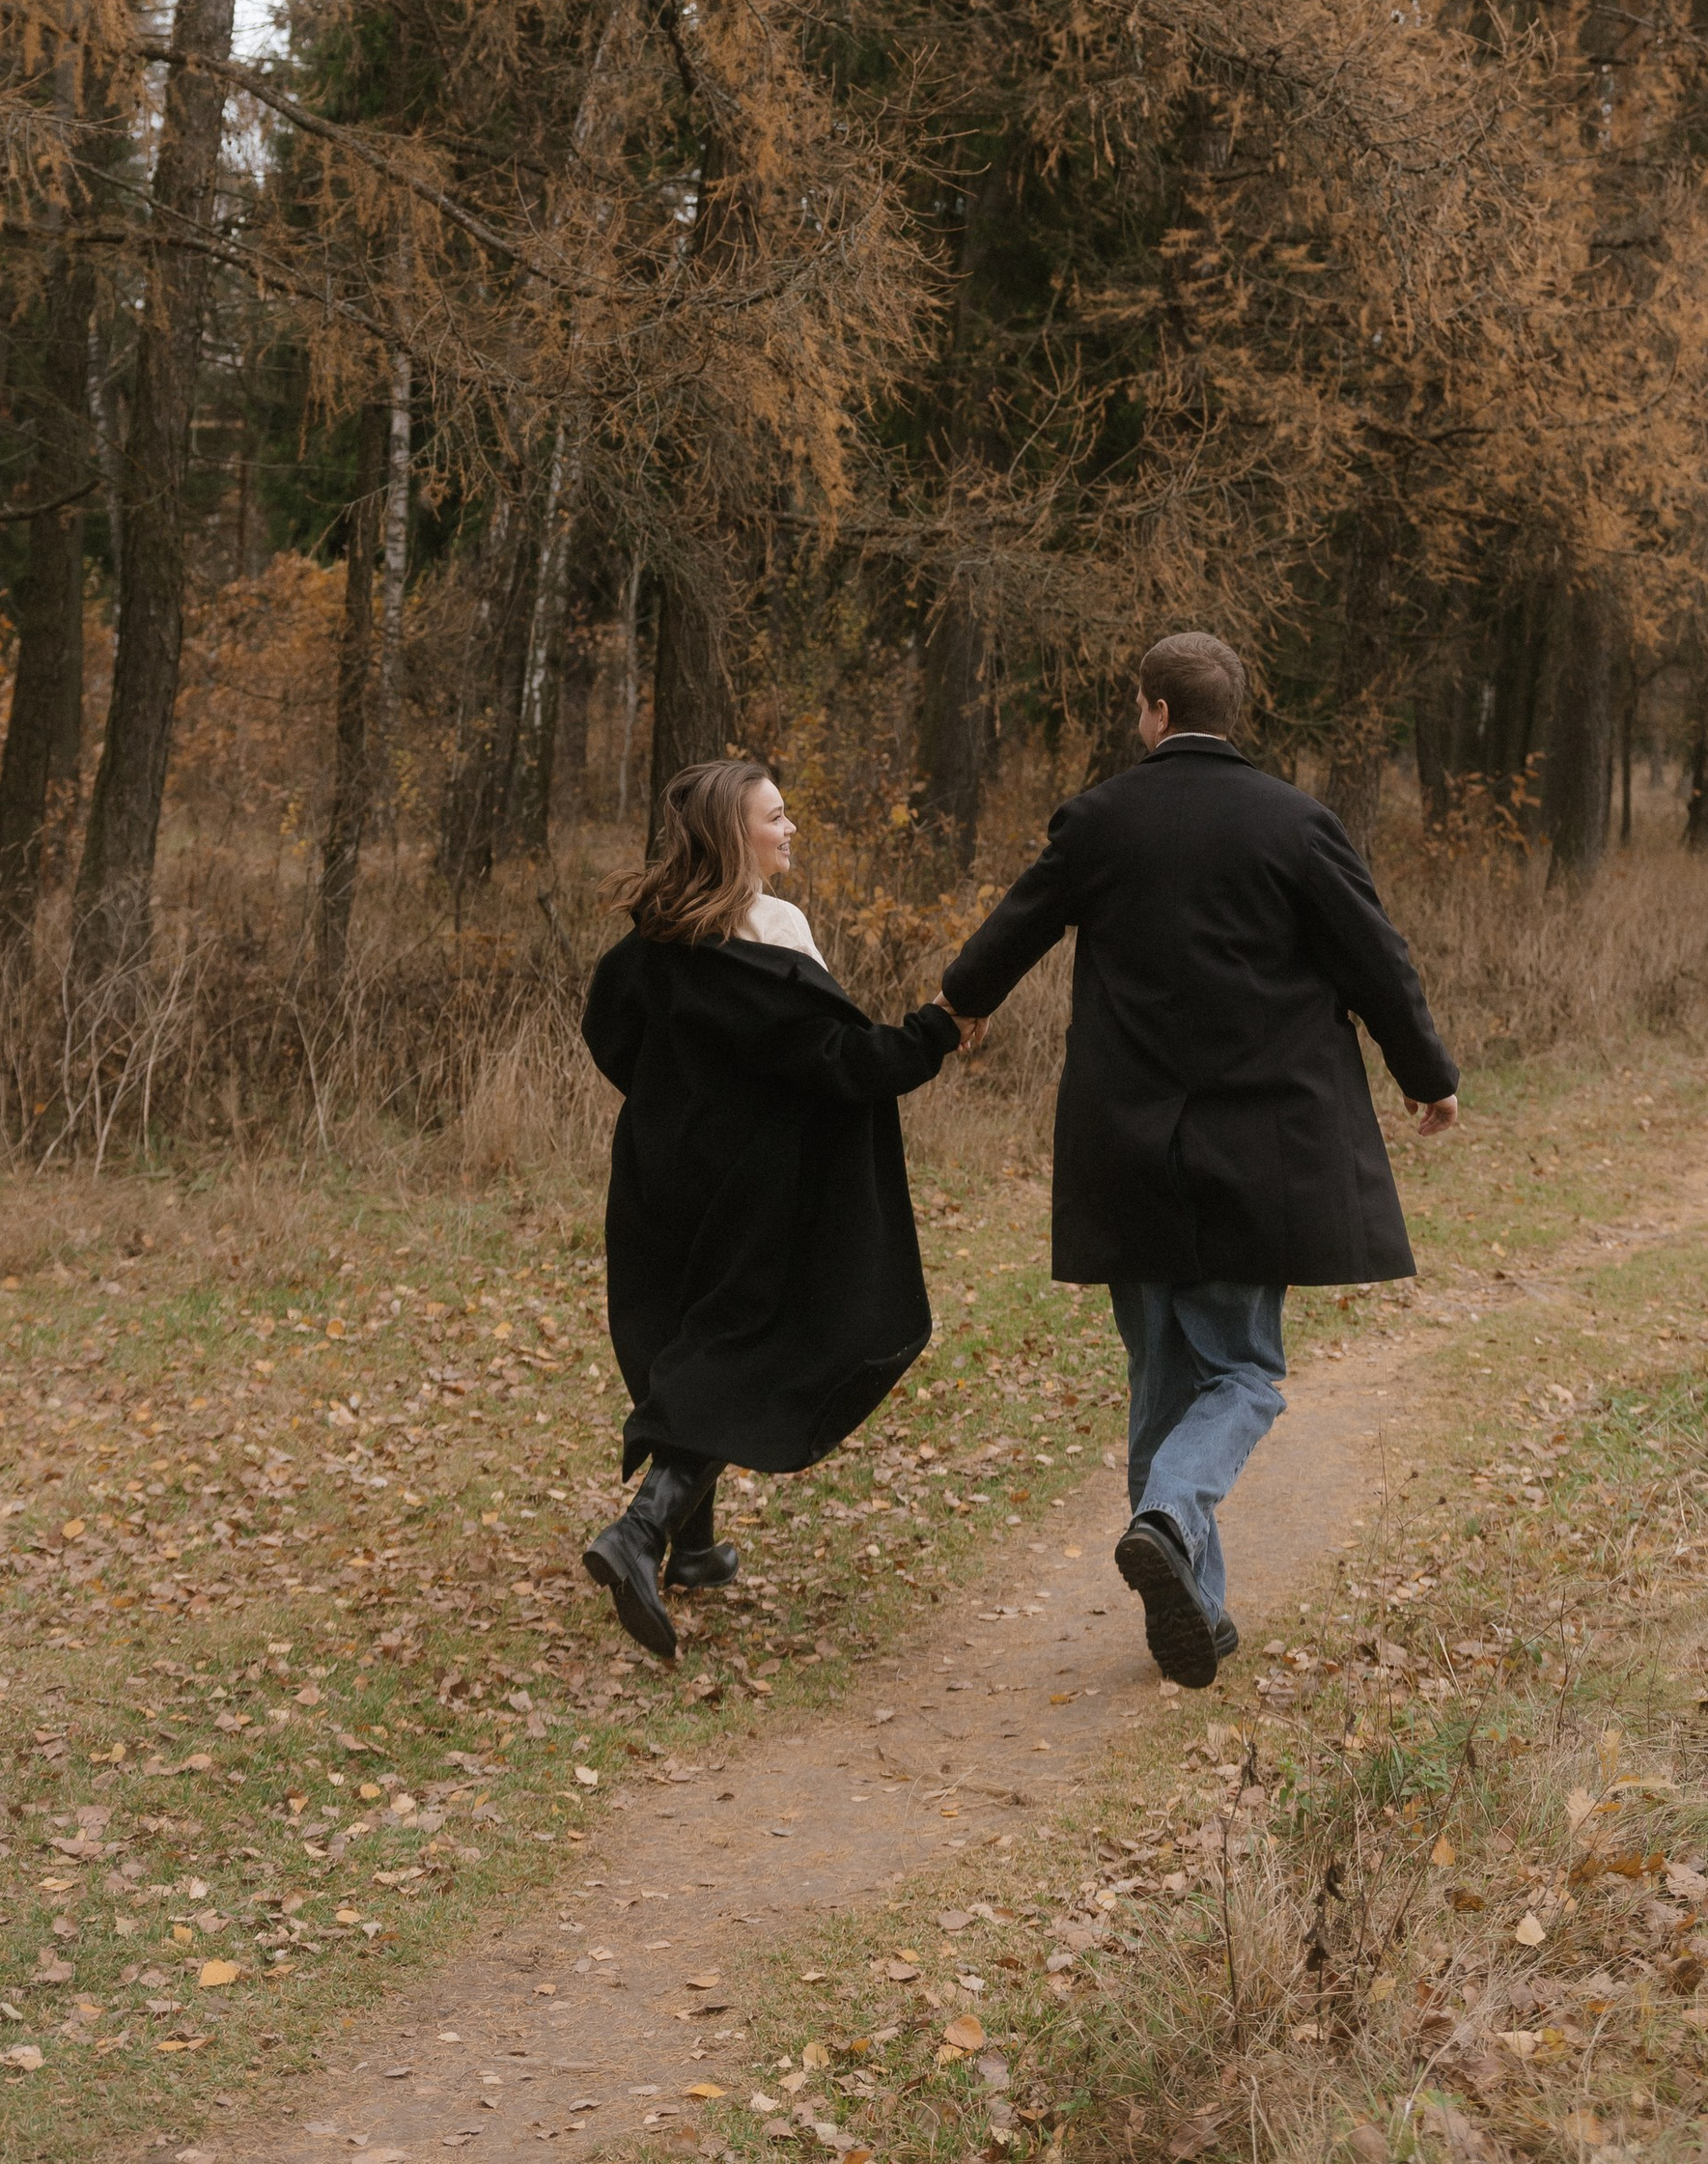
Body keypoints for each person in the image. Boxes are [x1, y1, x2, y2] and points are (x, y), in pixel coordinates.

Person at [938, 630, 1458, 1689]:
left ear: (1153, 712)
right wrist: (1425, 1071)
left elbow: (1013, 929)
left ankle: (1196, 1608)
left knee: (1163, 1374)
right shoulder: (1294, 822)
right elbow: (1376, 960)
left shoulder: (1098, 820)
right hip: (1257, 1148)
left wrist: (957, 1007)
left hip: (1126, 1147)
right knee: (1244, 1372)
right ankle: (1170, 1522)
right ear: (1231, 712)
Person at [578, 755, 975, 1662]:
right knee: (746, 1348)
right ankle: (640, 1533)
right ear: (734, 833)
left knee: (684, 1338)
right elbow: (841, 1062)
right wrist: (938, 1029)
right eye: (776, 817)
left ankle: (697, 1549)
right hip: (755, 1186)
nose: (790, 830)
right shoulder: (774, 930)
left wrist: (684, 1106)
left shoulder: (646, 943)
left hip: (656, 1177)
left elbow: (611, 1035)